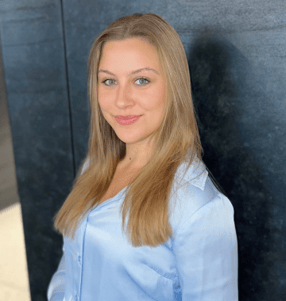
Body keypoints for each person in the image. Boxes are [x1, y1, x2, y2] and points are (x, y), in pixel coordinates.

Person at [47, 12, 238, 301]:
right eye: (109, 82)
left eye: (141, 80)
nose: (122, 101)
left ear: (173, 87)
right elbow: (71, 264)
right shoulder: (94, 167)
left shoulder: (200, 210)